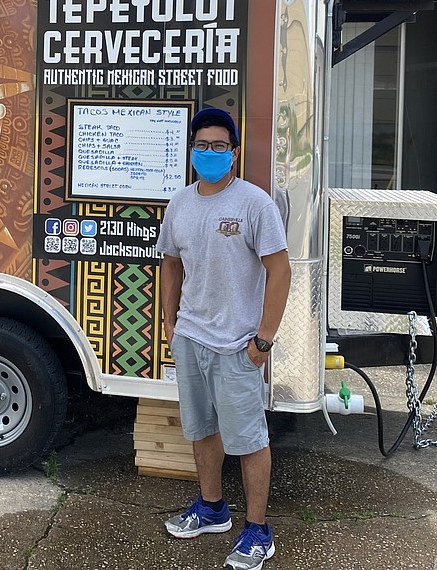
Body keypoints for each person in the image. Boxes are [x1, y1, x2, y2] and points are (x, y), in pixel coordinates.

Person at [156, 107, 292, 570]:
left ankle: (257, 530)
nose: (209, 153)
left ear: (234, 153)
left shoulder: (255, 204)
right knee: (202, 429)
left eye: (219, 146)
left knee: (249, 439)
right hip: (192, 337)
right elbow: (170, 263)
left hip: (238, 346)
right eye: (201, 145)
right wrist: (171, 323)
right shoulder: (181, 203)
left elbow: (280, 271)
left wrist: (264, 340)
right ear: (191, 151)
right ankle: (212, 508)